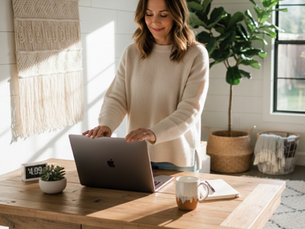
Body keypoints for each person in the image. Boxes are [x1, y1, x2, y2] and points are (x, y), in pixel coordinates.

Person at [82, 0, 209, 172]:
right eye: (149, 14)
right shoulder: (132, 53)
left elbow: (190, 111)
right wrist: (107, 124)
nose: (154, 21)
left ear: (177, 16)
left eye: (163, 15)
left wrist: (153, 132)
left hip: (176, 158)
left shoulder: (195, 54)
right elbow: (117, 98)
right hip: (137, 154)